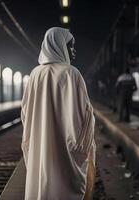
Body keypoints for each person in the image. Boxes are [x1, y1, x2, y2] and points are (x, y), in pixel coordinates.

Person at [21, 27, 96, 200]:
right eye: (70, 46)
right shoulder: (71, 73)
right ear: (59, 46)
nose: (73, 50)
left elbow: (25, 113)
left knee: (42, 186)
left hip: (40, 146)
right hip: (66, 150)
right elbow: (85, 115)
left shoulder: (34, 74)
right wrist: (82, 147)